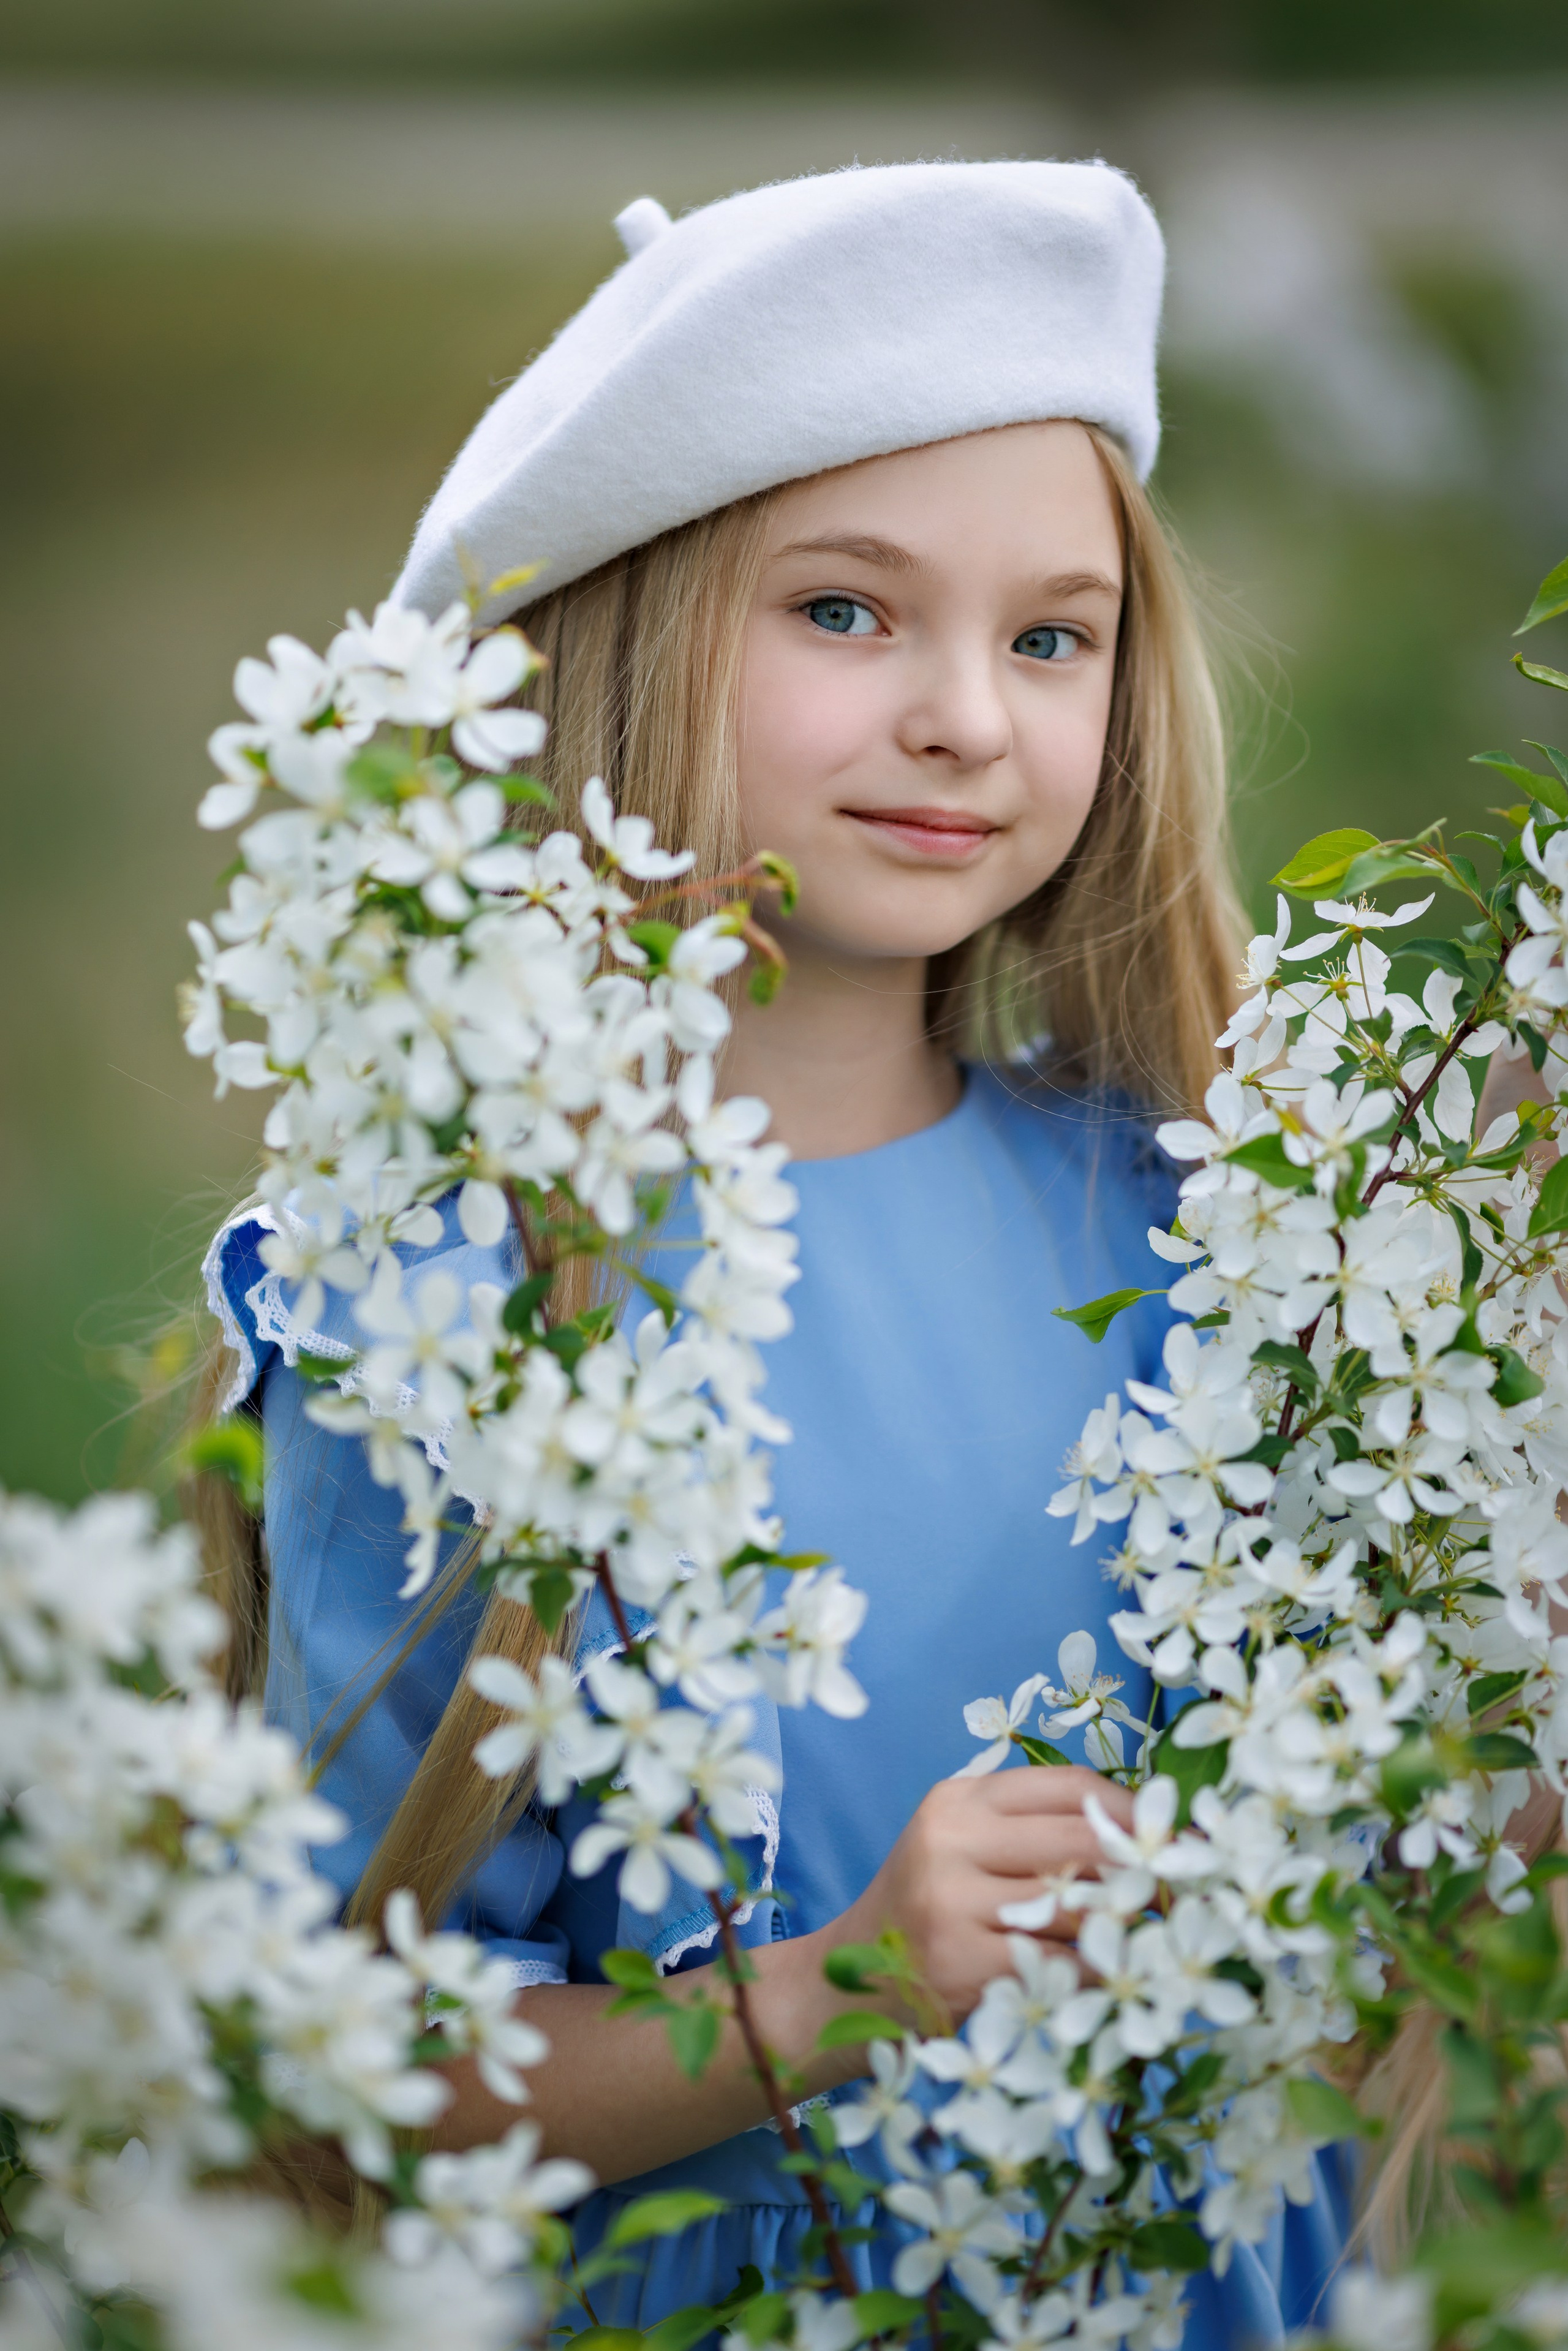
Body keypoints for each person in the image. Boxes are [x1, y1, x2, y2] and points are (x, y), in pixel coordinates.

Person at [198, 162, 1349, 2337]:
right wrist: (837, 1993)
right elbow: (350, 2069)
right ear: (627, 640)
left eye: (1051, 637)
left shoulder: (1222, 1214)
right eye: (844, 611)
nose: (967, 718)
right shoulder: (446, 1293)